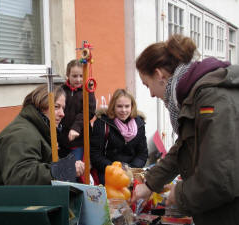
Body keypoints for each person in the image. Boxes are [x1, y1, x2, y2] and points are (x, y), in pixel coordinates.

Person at [132, 34, 239, 225]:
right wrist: (149, 184)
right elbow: (183, 145)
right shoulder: (195, 94)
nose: (150, 94)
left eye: (147, 85)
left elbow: (220, 178)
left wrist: (180, 194)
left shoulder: (209, 97)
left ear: (159, 75)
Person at [0, 84, 85, 206]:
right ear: (40, 105)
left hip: (13, 202)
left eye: (63, 108)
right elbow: (21, 178)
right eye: (56, 107)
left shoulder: (36, 128)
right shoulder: (22, 134)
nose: (62, 114)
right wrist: (64, 168)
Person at [90, 89, 148, 185]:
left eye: (127, 106)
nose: (123, 110)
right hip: (108, 170)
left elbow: (142, 154)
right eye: (119, 106)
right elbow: (95, 155)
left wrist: (130, 170)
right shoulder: (102, 123)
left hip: (131, 171)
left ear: (132, 107)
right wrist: (115, 169)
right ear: (113, 106)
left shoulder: (139, 124)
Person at [58, 59, 96, 160]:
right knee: (61, 168)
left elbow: (88, 111)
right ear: (67, 75)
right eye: (74, 76)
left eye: (81, 76)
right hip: (62, 139)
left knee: (75, 168)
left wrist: (76, 128)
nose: (78, 80)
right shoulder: (61, 90)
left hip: (79, 139)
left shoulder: (88, 91)